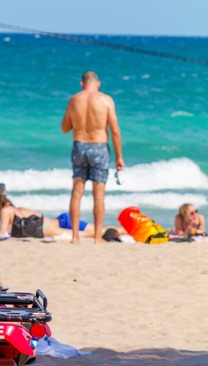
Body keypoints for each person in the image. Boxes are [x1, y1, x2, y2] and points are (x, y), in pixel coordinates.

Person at [62, 71, 124, 244]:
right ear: (98, 84)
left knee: (77, 191)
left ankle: (75, 237)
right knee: (99, 193)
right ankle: (97, 237)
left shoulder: (74, 100)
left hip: (79, 145)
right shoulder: (106, 100)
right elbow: (115, 130)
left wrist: (80, 121)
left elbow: (65, 128)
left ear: (82, 84)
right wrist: (119, 156)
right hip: (99, 146)